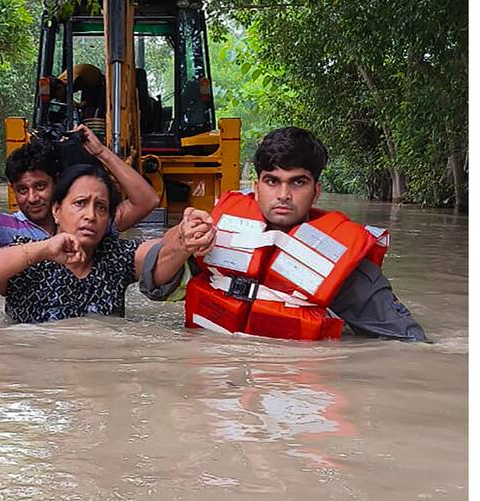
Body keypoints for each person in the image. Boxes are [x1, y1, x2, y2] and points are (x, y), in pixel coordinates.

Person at [181, 126, 427, 342]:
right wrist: (180, 243)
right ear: (256, 188)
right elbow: (153, 282)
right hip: (216, 378)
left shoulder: (344, 265)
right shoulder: (209, 233)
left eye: (298, 182)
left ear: (316, 191)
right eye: (272, 181)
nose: (283, 195)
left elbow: (406, 342)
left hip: (293, 387)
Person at [0, 164, 214, 323]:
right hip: (36, 383)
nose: (91, 215)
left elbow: (159, 254)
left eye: (101, 207)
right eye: (79, 204)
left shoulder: (115, 256)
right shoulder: (27, 257)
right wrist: (44, 248)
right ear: (56, 210)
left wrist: (183, 239)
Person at [0, 118, 160, 250]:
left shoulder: (86, 221)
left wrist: (101, 152)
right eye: (22, 190)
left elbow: (147, 201)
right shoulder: (0, 229)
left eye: (40, 187)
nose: (32, 198)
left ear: (57, 182)